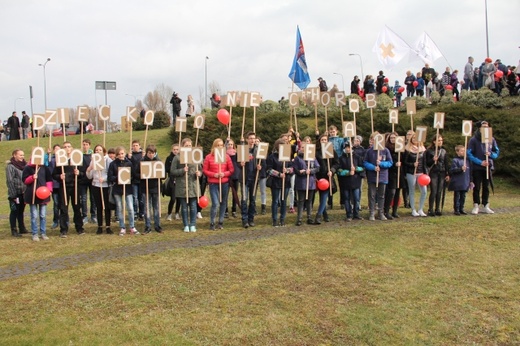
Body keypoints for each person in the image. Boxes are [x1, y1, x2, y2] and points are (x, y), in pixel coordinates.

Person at [52, 142, 85, 237]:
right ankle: (63, 229)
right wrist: (59, 176)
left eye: (69, 146)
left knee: (77, 207)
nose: (67, 148)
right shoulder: (60, 161)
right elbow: (54, 175)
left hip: (75, 186)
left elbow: (83, 174)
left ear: (72, 148)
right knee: (63, 208)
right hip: (64, 187)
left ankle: (79, 228)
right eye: (65, 147)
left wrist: (79, 173)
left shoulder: (77, 159)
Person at [467, 120, 499, 215]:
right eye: (483, 127)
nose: (485, 128)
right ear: (480, 128)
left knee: (486, 187)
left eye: (487, 127)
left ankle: (486, 205)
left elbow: (496, 152)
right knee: (476, 187)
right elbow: (469, 153)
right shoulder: (473, 140)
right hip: (478, 167)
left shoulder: (492, 139)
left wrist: (491, 155)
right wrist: (480, 162)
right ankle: (476, 204)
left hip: (488, 167)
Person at [203, 138, 235, 230]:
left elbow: (231, 170)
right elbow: (205, 170)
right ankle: (212, 222)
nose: (220, 147)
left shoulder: (226, 157)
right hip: (213, 183)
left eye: (221, 145)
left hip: (224, 183)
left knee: (223, 202)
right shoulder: (209, 157)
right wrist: (214, 175)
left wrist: (224, 174)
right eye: (218, 145)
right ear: (214, 146)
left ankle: (220, 222)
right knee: (215, 203)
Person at [170, 138, 201, 232]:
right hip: (182, 185)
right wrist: (182, 170)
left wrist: (199, 173)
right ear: (182, 146)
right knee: (184, 207)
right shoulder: (177, 157)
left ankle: (193, 224)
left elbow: (200, 169)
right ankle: (186, 225)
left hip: (193, 185)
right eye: (186, 146)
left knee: (193, 206)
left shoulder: (195, 156)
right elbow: (172, 171)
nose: (188, 147)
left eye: (190, 145)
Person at [108, 146, 139, 236]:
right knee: (120, 208)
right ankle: (122, 227)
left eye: (122, 153)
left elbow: (133, 175)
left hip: (128, 189)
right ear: (116, 155)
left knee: (130, 207)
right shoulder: (113, 164)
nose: (121, 155)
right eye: (119, 154)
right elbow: (110, 177)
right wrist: (119, 178)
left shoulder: (129, 163)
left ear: (124, 153)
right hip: (117, 189)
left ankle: (132, 226)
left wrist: (129, 179)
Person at [364, 133, 393, 221]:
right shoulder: (369, 151)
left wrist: (381, 164)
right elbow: (365, 162)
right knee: (372, 195)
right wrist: (373, 167)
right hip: (372, 177)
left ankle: (381, 212)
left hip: (383, 177)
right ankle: (372, 212)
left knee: (381, 195)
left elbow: (390, 162)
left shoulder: (386, 150)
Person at [22, 158, 53, 241]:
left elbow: (49, 180)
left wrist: (49, 190)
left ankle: (43, 233)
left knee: (43, 215)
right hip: (32, 195)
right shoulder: (27, 168)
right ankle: (35, 233)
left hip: (43, 195)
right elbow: (24, 180)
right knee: (34, 215)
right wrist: (32, 177)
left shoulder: (44, 168)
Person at [266, 138, 293, 227]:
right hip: (275, 182)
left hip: (286, 182)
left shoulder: (288, 156)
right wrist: (279, 174)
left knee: (284, 200)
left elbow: (293, 168)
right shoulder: (272, 157)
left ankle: (282, 219)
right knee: (275, 201)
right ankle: (274, 219)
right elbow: (268, 169)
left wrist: (287, 170)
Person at [86, 145, 113, 234]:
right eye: (96, 150)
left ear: (103, 151)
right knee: (99, 207)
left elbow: (111, 173)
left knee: (107, 207)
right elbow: (89, 176)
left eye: (100, 150)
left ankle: (108, 226)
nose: (98, 151)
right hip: (96, 186)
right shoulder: (93, 161)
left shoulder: (108, 160)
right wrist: (89, 169)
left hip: (105, 186)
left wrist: (104, 179)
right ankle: (100, 226)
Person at [293, 136, 319, 226]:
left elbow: (317, 167)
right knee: (301, 201)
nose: (304, 149)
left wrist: (311, 171)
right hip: (301, 182)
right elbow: (295, 169)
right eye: (302, 147)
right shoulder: (297, 158)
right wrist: (301, 172)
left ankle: (309, 217)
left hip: (311, 182)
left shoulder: (312, 157)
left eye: (305, 147)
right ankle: (299, 218)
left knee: (309, 200)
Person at [138, 145, 163, 234]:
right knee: (147, 208)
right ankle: (147, 226)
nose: (151, 155)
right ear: (147, 153)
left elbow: (163, 175)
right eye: (149, 153)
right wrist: (143, 175)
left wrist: (160, 175)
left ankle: (157, 226)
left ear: (155, 153)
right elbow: (137, 174)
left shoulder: (158, 161)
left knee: (156, 207)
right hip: (146, 188)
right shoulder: (142, 161)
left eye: (152, 153)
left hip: (156, 187)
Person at [314, 133, 339, 224]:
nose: (324, 141)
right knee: (321, 197)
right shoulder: (316, 152)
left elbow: (337, 163)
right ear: (319, 141)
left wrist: (332, 170)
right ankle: (325, 214)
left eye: (325, 140)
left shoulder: (331, 150)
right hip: (318, 177)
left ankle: (318, 216)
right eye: (322, 140)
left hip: (328, 178)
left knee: (324, 196)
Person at [240, 131, 262, 228]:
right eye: (250, 138)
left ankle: (251, 218)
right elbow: (237, 163)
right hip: (244, 178)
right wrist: (240, 164)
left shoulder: (258, 150)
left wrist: (259, 167)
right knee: (244, 199)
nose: (252, 140)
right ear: (247, 139)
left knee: (252, 200)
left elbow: (263, 163)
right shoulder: (242, 150)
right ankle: (244, 219)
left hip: (254, 178)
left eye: (253, 138)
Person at [337, 142, 364, 221]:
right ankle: (349, 214)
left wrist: (355, 169)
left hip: (355, 181)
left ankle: (356, 214)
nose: (348, 149)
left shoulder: (357, 157)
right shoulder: (341, 158)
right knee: (346, 199)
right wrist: (348, 172)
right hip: (345, 182)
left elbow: (362, 168)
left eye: (349, 147)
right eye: (346, 147)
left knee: (356, 198)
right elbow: (339, 170)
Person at [403, 132, 428, 217]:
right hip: (411, 173)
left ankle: (420, 209)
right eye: (413, 138)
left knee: (424, 191)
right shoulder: (407, 149)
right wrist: (412, 164)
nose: (414, 139)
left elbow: (424, 163)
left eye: (416, 138)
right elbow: (405, 162)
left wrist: (426, 173)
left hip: (421, 173)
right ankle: (413, 209)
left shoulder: (423, 149)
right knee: (412, 191)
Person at [425, 135, 449, 216]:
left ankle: (437, 208)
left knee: (439, 191)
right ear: (434, 141)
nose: (440, 142)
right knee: (434, 191)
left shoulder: (443, 151)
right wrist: (433, 160)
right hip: (433, 172)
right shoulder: (429, 151)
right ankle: (430, 209)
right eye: (438, 140)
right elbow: (427, 163)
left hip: (441, 172)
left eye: (441, 140)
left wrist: (447, 174)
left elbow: (446, 163)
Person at [6, 149, 28, 237]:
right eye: (20, 155)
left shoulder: (25, 165)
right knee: (14, 211)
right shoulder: (10, 166)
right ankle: (14, 230)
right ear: (14, 155)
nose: (22, 157)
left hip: (23, 192)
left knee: (21, 211)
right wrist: (13, 195)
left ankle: (22, 228)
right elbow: (10, 181)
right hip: (15, 193)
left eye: (23, 155)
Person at [448, 145, 472, 215]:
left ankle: (461, 208)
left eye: (464, 151)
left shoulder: (467, 161)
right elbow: (452, 170)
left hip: (465, 180)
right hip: (457, 181)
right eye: (462, 151)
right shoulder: (455, 160)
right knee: (457, 195)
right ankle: (456, 209)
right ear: (457, 152)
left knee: (463, 195)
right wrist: (460, 169)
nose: (463, 152)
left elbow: (470, 172)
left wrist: (471, 180)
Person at [383, 132, 402, 220]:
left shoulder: (401, 148)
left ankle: (395, 211)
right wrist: (395, 164)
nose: (393, 139)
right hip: (391, 173)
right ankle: (386, 210)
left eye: (394, 138)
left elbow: (404, 159)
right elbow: (387, 160)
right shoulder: (387, 149)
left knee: (398, 192)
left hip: (399, 173)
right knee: (391, 192)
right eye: (391, 138)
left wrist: (400, 163)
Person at [79, 139, 97, 224]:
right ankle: (84, 216)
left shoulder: (93, 156)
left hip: (92, 180)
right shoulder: (80, 156)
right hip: (83, 180)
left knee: (93, 198)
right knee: (83, 199)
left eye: (86, 144)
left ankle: (93, 215)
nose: (85, 146)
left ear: (89, 145)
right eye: (84, 144)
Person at [128, 140, 144, 221]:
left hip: (141, 180)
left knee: (141, 198)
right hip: (133, 180)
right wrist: (129, 158)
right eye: (133, 145)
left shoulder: (143, 155)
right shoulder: (130, 156)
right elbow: (128, 166)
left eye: (136, 145)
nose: (135, 147)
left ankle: (142, 213)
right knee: (135, 198)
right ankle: (135, 213)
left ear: (139, 146)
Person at [225, 138, 241, 218]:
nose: (230, 146)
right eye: (228, 144)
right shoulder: (224, 154)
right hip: (227, 176)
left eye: (231, 144)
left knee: (235, 194)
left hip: (235, 175)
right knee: (225, 194)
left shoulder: (237, 153)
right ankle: (225, 210)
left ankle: (234, 210)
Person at [164, 143, 180, 221]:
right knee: (173, 198)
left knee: (179, 198)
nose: (176, 151)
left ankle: (177, 213)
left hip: (179, 179)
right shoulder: (169, 158)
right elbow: (166, 169)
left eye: (177, 149)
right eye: (174, 149)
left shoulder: (181, 158)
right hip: (172, 180)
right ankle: (169, 213)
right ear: (172, 150)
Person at [47, 144, 62, 229]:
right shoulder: (51, 160)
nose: (57, 150)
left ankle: (64, 220)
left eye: (58, 149)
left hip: (62, 185)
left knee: (63, 203)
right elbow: (49, 171)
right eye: (55, 149)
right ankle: (56, 220)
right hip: (55, 185)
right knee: (56, 203)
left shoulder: (63, 159)